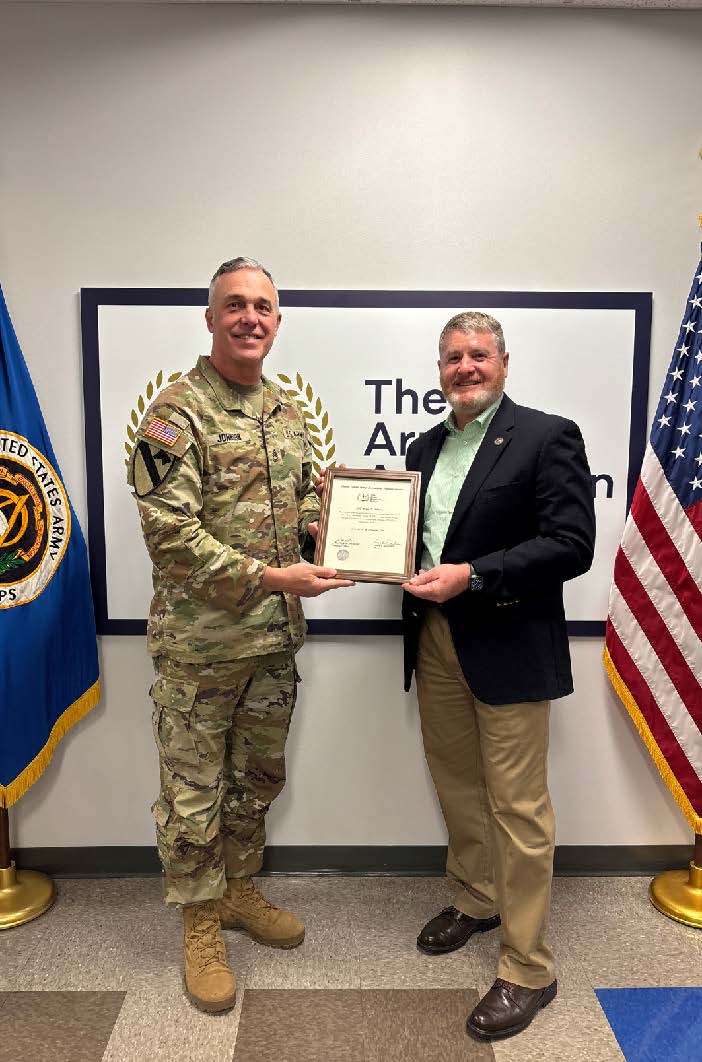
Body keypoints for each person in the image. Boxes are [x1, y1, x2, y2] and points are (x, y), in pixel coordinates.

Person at [128, 257, 352, 1013]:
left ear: (277, 321)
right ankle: (199, 919)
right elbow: (170, 536)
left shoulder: (287, 415)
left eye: (262, 306)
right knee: (193, 795)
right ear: (211, 317)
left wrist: (338, 521)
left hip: (272, 646)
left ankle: (239, 892)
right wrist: (269, 577)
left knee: (255, 782)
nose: (250, 317)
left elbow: (301, 524)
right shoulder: (175, 413)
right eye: (235, 305)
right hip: (200, 649)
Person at [402, 311, 595, 1042]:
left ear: (504, 364)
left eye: (478, 354)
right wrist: (342, 536)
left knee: (517, 806)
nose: (465, 367)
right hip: (437, 641)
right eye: (453, 357)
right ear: (441, 370)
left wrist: (475, 575)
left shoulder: (548, 436)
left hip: (509, 641)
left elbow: (571, 543)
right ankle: (478, 896)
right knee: (455, 781)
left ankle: (527, 969)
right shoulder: (424, 445)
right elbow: (405, 538)